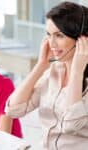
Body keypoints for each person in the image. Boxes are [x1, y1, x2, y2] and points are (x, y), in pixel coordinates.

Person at [5, 1, 88, 149]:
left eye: (59, 35)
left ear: (82, 39)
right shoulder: (54, 71)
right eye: (49, 35)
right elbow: (13, 110)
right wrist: (40, 66)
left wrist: (76, 72)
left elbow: (70, 124)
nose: (52, 43)